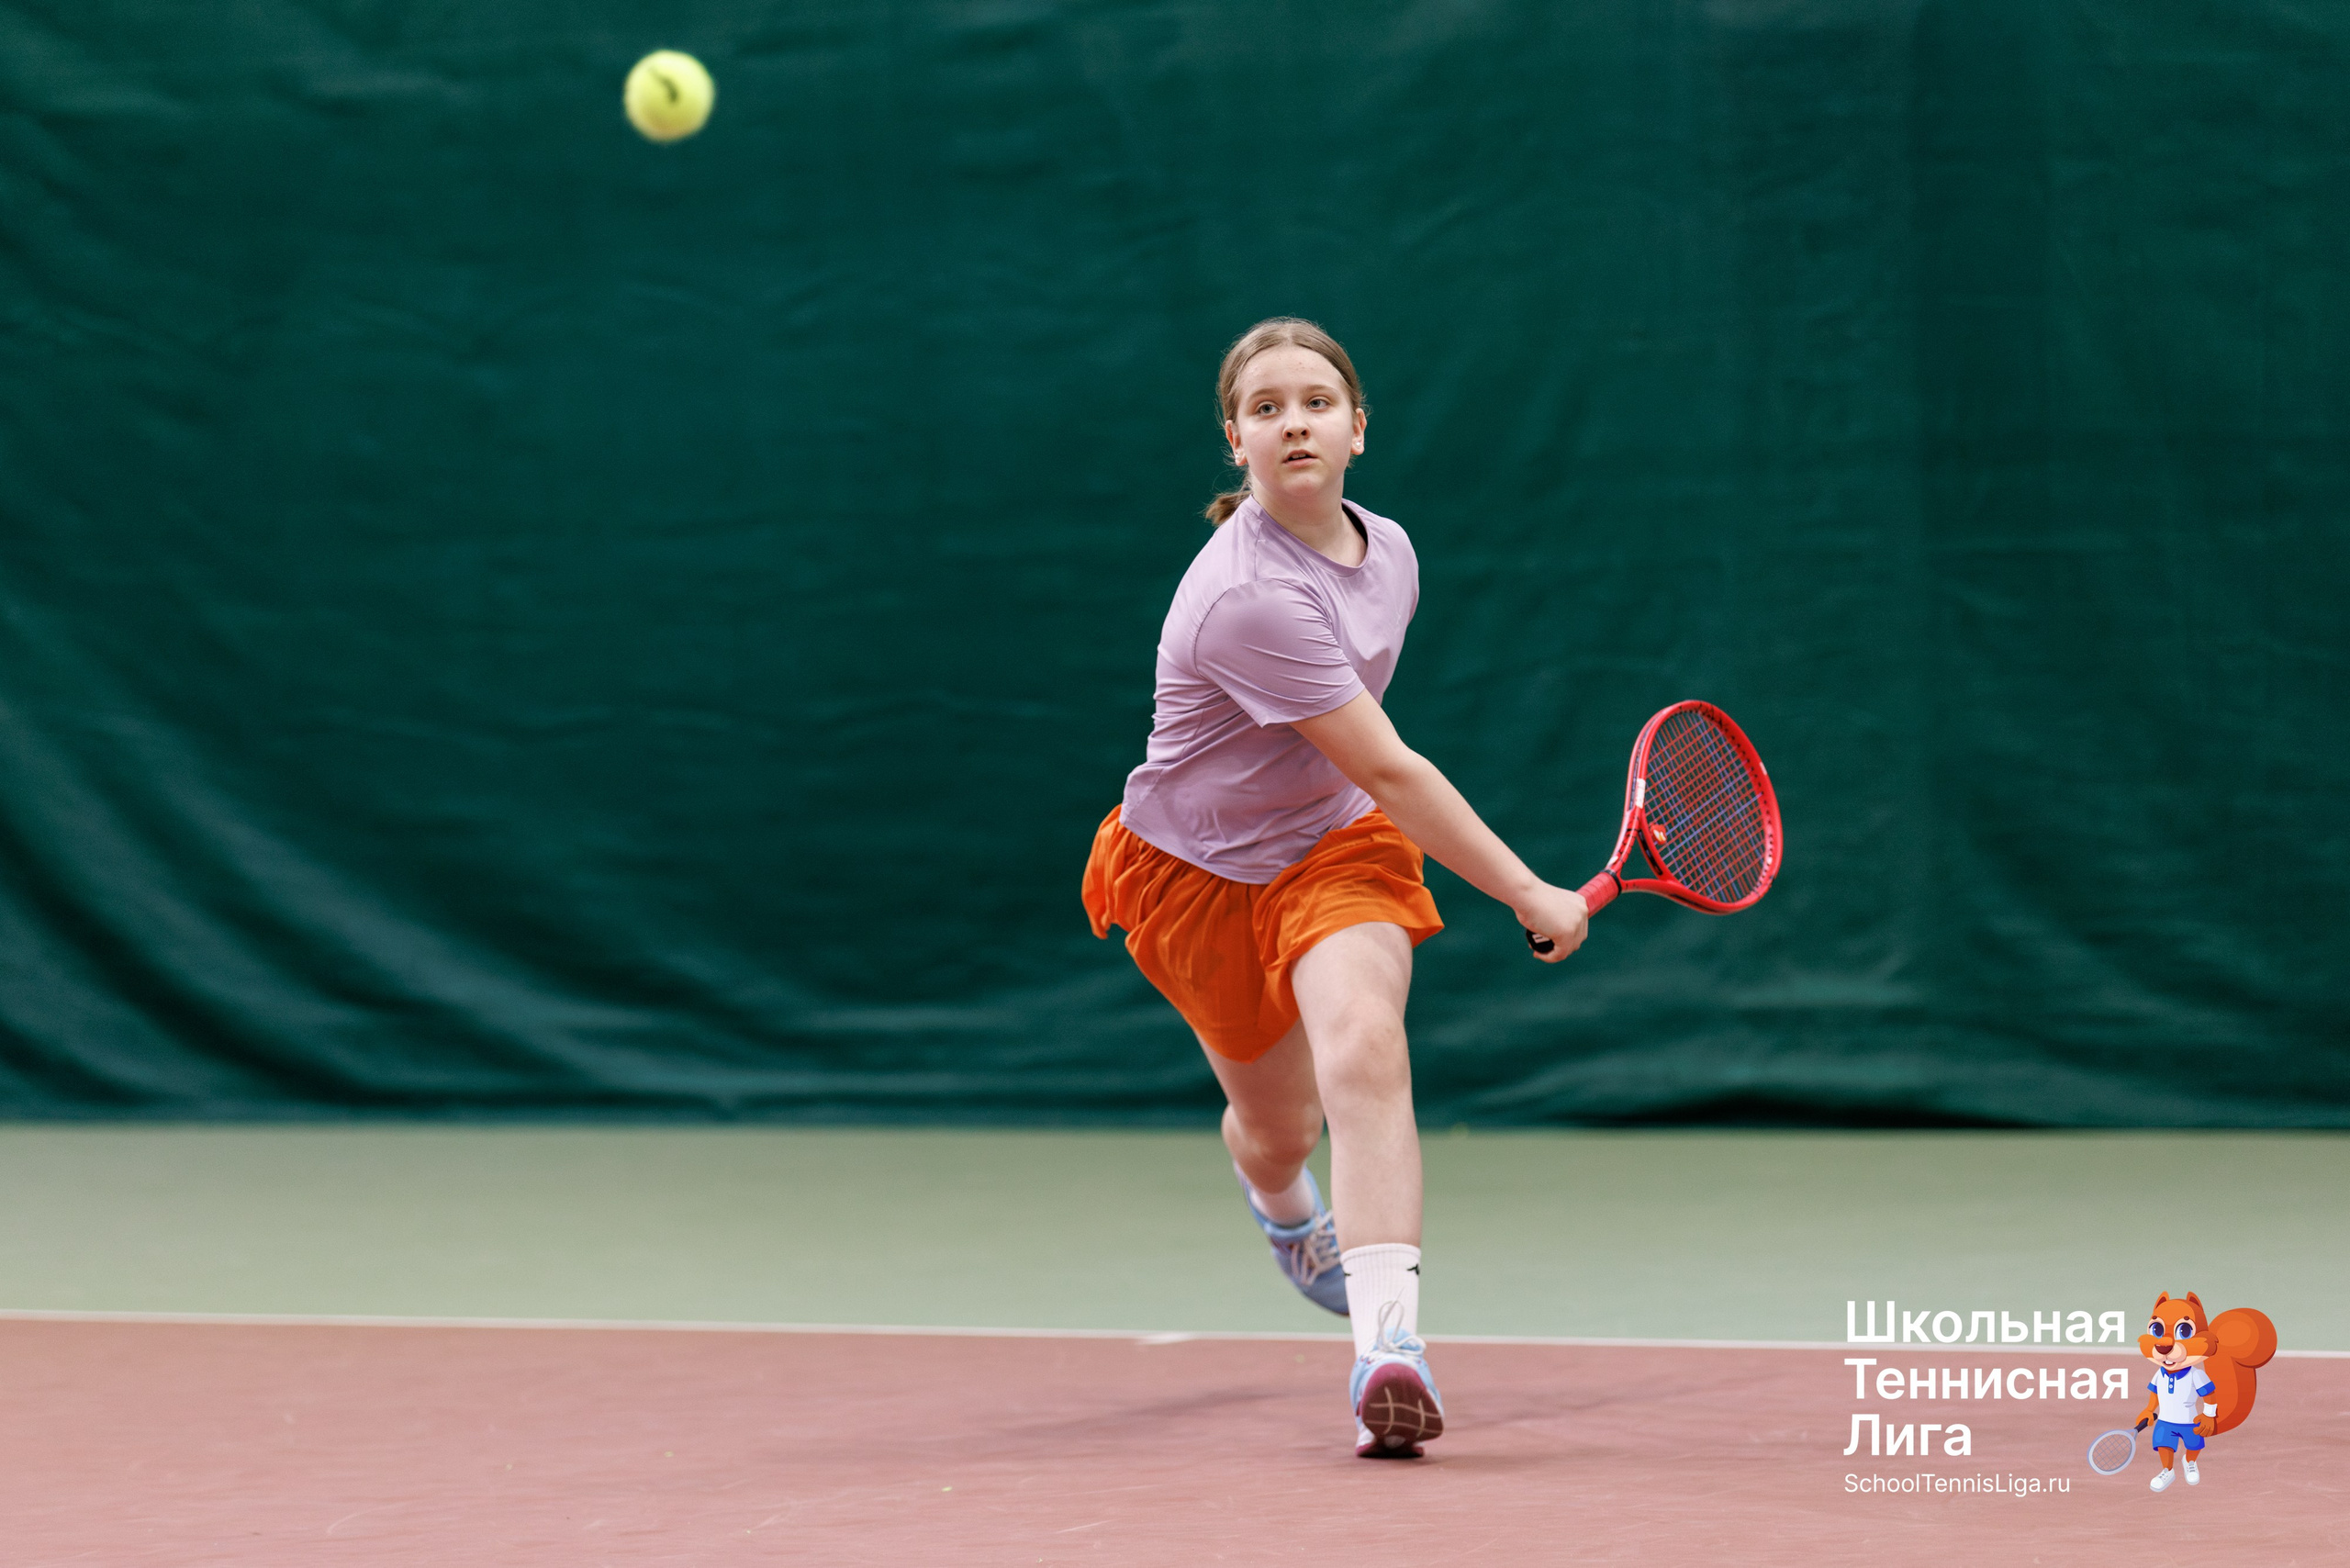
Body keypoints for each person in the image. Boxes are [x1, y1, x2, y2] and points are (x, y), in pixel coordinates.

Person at [1081, 318, 1591, 1458]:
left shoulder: (1393, 550)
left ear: (1357, 428)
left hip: (1335, 848)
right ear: (1237, 444)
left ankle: (1387, 1350)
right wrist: (1526, 891)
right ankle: (1284, 1216)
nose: (1293, 421)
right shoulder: (1244, 597)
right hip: (1196, 878)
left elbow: (1361, 786)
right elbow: (1390, 764)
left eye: (1315, 401)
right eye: (1265, 408)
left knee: (1365, 1043)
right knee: (1276, 1128)